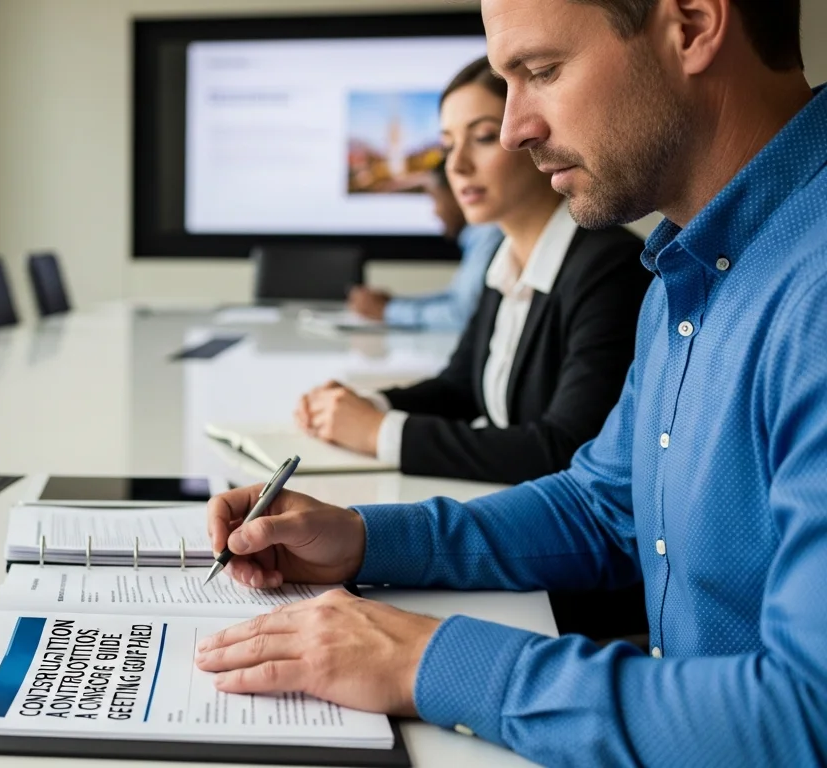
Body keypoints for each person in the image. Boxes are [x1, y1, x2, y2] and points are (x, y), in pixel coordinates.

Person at [196, 1, 826, 765]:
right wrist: (363, 539)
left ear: (692, 24)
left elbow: (804, 719)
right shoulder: (685, 264)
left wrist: (425, 660)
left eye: (541, 72)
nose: (515, 127)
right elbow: (605, 506)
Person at [297, 58, 650, 486]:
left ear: (532, 135)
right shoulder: (504, 260)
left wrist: (379, 433)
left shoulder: (608, 268)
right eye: (447, 145)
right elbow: (460, 388)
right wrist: (365, 406)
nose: (456, 165)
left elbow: (566, 447)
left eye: (482, 137)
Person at [346, 160, 504, 330]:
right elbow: (456, 299)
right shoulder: (478, 237)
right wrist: (393, 304)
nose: (435, 211)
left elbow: (462, 315)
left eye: (435, 198)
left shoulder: (489, 234)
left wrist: (388, 311)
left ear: (458, 192)